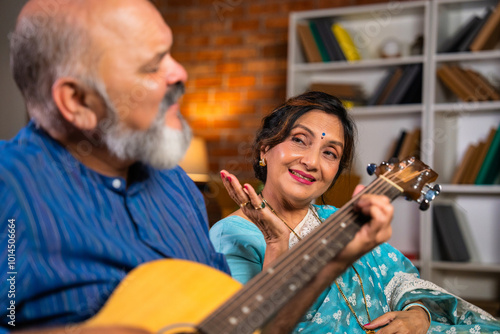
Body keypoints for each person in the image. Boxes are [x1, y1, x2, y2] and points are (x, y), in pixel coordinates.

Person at [0, 1, 395, 334]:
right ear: (77, 101)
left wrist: (337, 259)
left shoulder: (177, 186)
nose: (181, 74)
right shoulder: (9, 188)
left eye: (170, 52)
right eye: (151, 65)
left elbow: (249, 326)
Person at [210, 91, 500, 334]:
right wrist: (277, 243)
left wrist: (418, 315)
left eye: (330, 153)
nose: (312, 161)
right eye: (299, 139)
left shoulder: (339, 219)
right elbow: (249, 328)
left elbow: (402, 279)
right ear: (265, 149)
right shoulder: (233, 234)